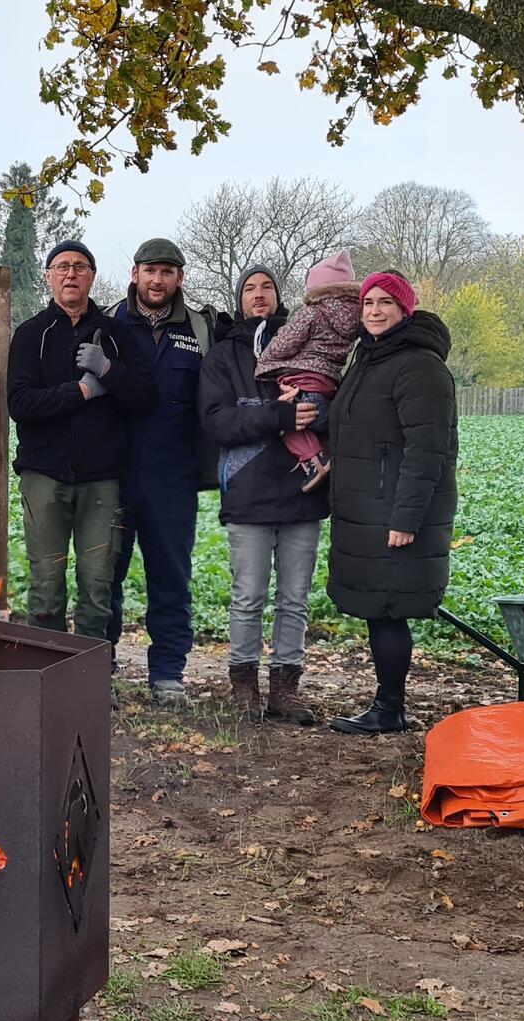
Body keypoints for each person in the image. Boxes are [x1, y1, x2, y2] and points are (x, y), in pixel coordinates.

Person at [326, 271, 457, 736]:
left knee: (388, 610)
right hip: (368, 509)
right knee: (380, 609)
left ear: (406, 309)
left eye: (386, 302)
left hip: (394, 514)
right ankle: (386, 703)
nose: (375, 311)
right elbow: (360, 425)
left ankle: (390, 709)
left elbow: (428, 450)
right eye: (368, 303)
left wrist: (406, 518)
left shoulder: (419, 365)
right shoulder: (370, 359)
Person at [8, 239, 154, 641]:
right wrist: (83, 392)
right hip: (43, 476)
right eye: (62, 267)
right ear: (49, 277)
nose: (70, 273)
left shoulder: (118, 335)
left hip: (103, 479)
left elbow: (144, 397)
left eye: (79, 266)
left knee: (97, 586)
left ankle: (89, 678)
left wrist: (109, 371)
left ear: (91, 276)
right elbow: (20, 403)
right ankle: (49, 670)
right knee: (46, 584)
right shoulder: (30, 335)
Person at [198, 264, 327, 721]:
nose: (258, 295)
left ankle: (286, 689)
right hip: (248, 495)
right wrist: (279, 417)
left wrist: (317, 413)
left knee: (295, 599)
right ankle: (244, 687)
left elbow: (331, 402)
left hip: (303, 492)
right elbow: (218, 422)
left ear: (278, 296)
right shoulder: (221, 357)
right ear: (239, 299)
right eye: (249, 289)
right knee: (248, 596)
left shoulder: (307, 348)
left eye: (266, 287)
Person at [106, 237, 219, 703]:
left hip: (174, 476)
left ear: (180, 279)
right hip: (111, 474)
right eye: (150, 271)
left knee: (171, 576)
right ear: (135, 274)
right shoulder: (107, 322)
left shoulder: (201, 328)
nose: (158, 280)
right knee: (103, 575)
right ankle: (99, 668)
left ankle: (168, 674)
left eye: (168, 272)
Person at [256, 251, 359, 491]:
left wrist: (266, 361)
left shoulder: (312, 312)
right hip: (329, 382)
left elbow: (285, 343)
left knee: (287, 419)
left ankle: (314, 460)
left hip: (304, 378)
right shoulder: (357, 315)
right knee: (313, 419)